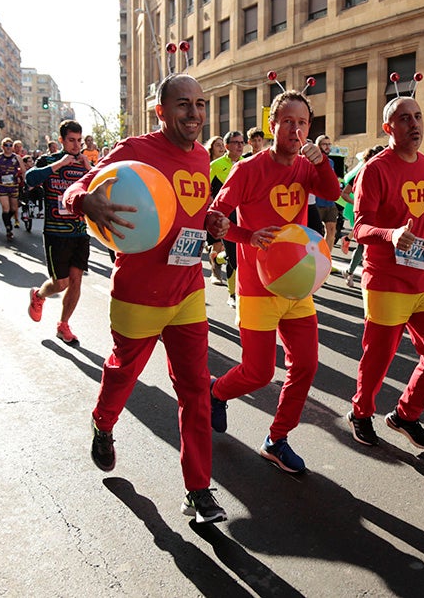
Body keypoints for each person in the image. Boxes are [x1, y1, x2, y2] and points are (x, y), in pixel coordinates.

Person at [64, 74, 229, 524]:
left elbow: (191, 212)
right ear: (161, 111)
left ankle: (198, 490)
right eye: (182, 105)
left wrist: (212, 220)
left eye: (199, 104)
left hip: (189, 290)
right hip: (139, 291)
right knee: (124, 372)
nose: (193, 113)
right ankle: (103, 420)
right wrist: (86, 203)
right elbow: (74, 190)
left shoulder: (200, 156)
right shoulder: (135, 150)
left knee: (195, 390)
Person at [209, 89, 341, 473]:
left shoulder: (306, 166)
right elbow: (215, 218)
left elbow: (333, 194)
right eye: (287, 121)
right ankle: (216, 392)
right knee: (258, 372)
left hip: (297, 284)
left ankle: (277, 439)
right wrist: (246, 237)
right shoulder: (247, 169)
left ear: (309, 128)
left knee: (306, 365)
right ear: (272, 125)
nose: (295, 129)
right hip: (256, 285)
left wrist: (323, 163)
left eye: (302, 123)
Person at [345, 96, 424, 450]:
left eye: (418, 116)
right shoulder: (375, 169)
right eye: (404, 118)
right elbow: (359, 227)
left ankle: (405, 415)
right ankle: (361, 413)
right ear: (388, 127)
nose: (414, 124)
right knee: (379, 357)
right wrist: (390, 234)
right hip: (386, 279)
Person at [25, 121, 92, 343]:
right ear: (62, 140)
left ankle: (63, 325)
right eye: (71, 140)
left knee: (76, 281)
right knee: (60, 283)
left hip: (80, 232)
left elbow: (103, 188)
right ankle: (39, 295)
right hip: (56, 233)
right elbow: (30, 180)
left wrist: (89, 167)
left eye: (79, 141)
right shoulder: (49, 160)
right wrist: (59, 164)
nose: (76, 145)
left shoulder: (84, 163)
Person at [340, 145, 384, 287]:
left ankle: (352, 271)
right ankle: (351, 272)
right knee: (363, 245)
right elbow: (344, 193)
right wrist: (358, 203)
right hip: (365, 215)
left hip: (381, 216)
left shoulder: (386, 173)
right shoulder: (362, 173)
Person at [208, 130, 244, 299]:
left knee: (239, 257)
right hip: (224, 217)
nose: (240, 146)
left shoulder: (247, 164)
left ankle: (218, 258)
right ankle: (232, 295)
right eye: (236, 142)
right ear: (227, 146)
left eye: (242, 142)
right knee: (235, 259)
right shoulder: (215, 165)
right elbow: (206, 190)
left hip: (244, 217)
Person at [0, 137, 28, 242]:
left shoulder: (17, 158)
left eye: (10, 145)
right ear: (2, 146)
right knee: (5, 208)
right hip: (1, 185)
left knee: (14, 208)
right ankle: (8, 229)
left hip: (13, 185)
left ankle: (8, 220)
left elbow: (24, 170)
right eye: (6, 145)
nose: (8, 147)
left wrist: (25, 181)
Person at [312, 134, 340, 252]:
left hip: (330, 203)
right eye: (325, 144)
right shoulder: (312, 161)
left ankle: (327, 258)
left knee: (332, 230)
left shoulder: (331, 162)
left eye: (329, 144)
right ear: (318, 146)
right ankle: (315, 258)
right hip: (317, 202)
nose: (328, 147)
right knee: (316, 234)